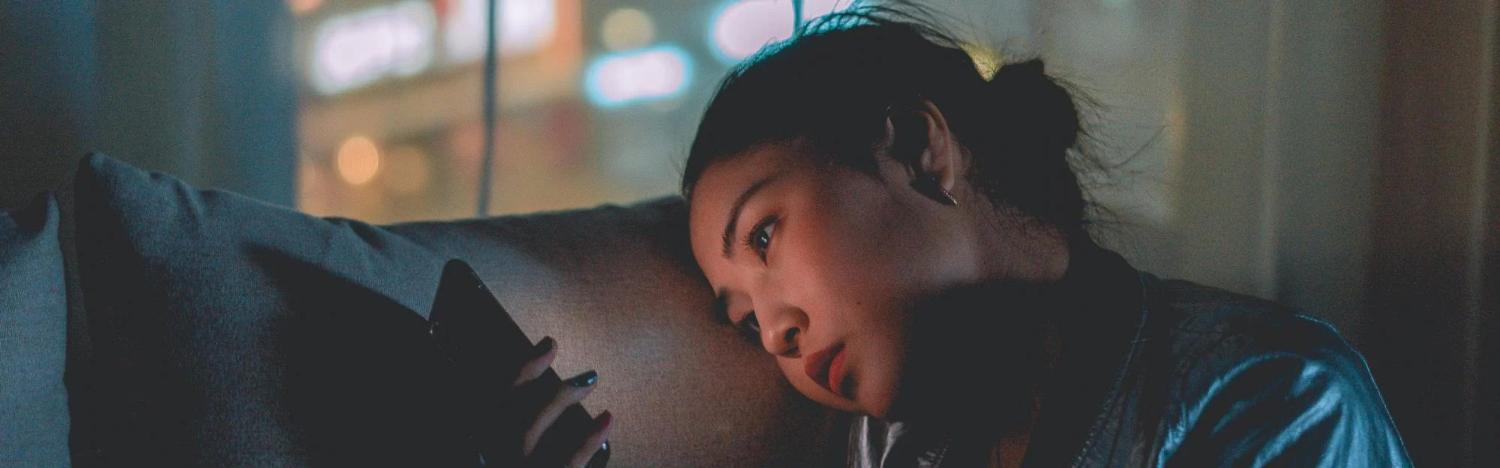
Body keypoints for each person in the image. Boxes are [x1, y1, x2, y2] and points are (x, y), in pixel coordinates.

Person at [671, 6, 1413, 467]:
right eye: (743, 320)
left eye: (764, 237)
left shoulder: (1275, 397)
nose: (773, 336)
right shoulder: (890, 448)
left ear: (918, 148)